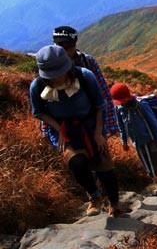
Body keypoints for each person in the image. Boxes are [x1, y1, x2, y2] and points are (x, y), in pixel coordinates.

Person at [29, 45, 121, 217]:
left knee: (104, 167)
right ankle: (94, 196)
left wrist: (99, 132)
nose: (55, 79)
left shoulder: (85, 76)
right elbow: (39, 113)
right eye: (51, 76)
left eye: (58, 73)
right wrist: (60, 130)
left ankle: (114, 204)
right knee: (76, 163)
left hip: (92, 125)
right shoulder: (37, 86)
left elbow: (100, 105)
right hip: (64, 130)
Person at [110, 83, 157, 195]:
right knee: (147, 165)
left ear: (126, 96)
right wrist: (123, 141)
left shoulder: (141, 105)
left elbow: (154, 123)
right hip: (138, 142)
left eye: (120, 100)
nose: (119, 103)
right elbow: (121, 125)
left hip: (153, 140)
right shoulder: (119, 108)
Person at [52, 26, 118, 137]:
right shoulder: (49, 65)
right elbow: (45, 98)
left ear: (75, 46)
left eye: (68, 47)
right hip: (63, 125)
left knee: (100, 153)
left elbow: (104, 94)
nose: (64, 52)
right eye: (60, 47)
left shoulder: (88, 62)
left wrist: (110, 126)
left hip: (91, 122)